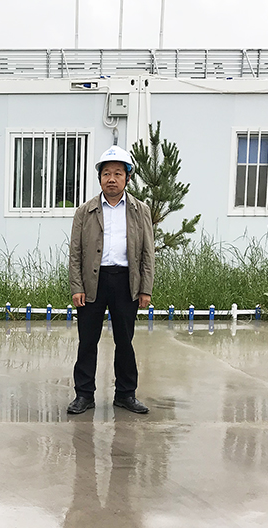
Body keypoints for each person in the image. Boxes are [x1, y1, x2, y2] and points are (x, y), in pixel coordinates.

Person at [67, 145, 155, 415]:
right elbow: (75, 253)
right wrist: (77, 287)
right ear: (100, 178)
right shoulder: (85, 211)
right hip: (93, 283)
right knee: (87, 341)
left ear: (127, 177)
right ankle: (84, 395)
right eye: (107, 173)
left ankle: (126, 394)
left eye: (118, 173)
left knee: (124, 341)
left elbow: (147, 252)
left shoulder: (140, 210)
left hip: (126, 282)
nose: (112, 179)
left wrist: (145, 289)